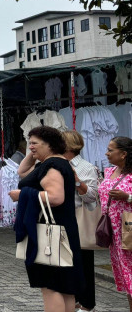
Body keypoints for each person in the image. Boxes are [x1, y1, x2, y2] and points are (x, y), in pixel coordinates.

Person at [11, 126, 83, 312]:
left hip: (51, 233)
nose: (30, 147)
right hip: (62, 230)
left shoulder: (52, 165)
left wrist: (22, 195)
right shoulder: (54, 162)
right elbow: (22, 171)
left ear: (49, 145)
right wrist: (33, 151)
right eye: (29, 143)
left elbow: (56, 197)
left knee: (51, 286)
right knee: (64, 286)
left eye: (34, 143)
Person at [62, 130, 100, 312]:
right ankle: (74, 298)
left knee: (83, 262)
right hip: (60, 217)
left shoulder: (87, 167)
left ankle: (87, 303)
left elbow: (92, 196)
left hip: (78, 217)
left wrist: (77, 180)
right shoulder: (55, 164)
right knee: (66, 262)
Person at [98, 136, 132, 312]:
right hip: (114, 231)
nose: (107, 153)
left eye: (111, 150)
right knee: (125, 274)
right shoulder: (109, 171)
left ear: (124, 154)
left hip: (129, 229)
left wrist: (128, 197)